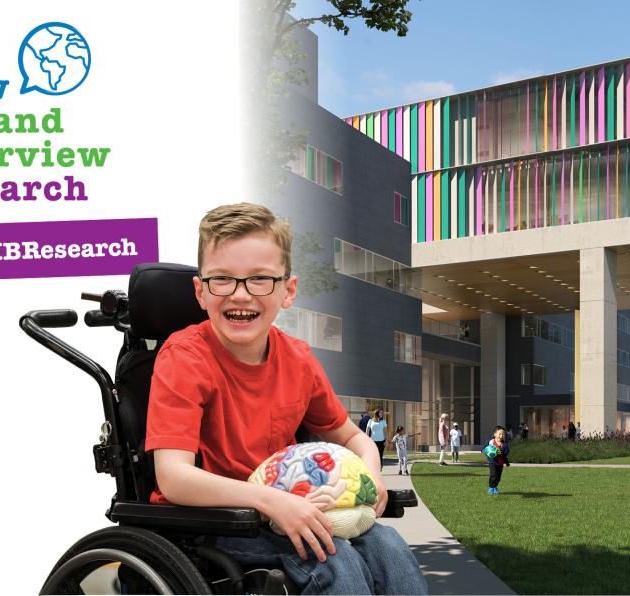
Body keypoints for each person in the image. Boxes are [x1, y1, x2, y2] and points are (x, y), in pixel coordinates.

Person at [145, 203, 427, 594]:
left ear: (288, 291)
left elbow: (352, 437)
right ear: (200, 291)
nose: (240, 295)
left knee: (388, 547)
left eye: (260, 279)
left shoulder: (297, 358)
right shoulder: (185, 358)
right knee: (335, 561)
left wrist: (370, 474)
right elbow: (173, 477)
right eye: (223, 279)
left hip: (291, 508)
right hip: (210, 523)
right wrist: (270, 502)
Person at [483, 426, 511, 494]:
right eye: (500, 434)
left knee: (498, 477)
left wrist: (500, 452)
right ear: (495, 434)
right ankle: (491, 487)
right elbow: (484, 448)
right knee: (493, 474)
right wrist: (484, 450)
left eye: (503, 434)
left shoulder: (504, 444)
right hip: (492, 461)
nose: (501, 436)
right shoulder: (490, 442)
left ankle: (495, 486)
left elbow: (505, 454)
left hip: (500, 463)